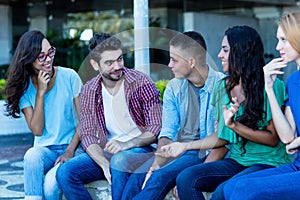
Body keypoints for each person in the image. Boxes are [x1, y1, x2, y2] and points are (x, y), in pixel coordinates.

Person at [156, 25, 292, 200]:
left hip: (267, 162)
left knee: (223, 191)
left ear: (241, 52)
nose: (219, 55)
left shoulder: (272, 86)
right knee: (186, 178)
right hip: (237, 160)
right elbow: (223, 138)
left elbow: (272, 139)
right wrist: (186, 148)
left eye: (225, 50)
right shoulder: (223, 87)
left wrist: (234, 125)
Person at [122, 31, 228, 200]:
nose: (169, 65)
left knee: (159, 177)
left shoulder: (222, 85)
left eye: (174, 60)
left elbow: (222, 140)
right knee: (138, 175)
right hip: (179, 150)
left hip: (205, 153)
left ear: (191, 62)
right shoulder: (173, 87)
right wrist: (157, 162)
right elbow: (168, 132)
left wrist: (191, 173)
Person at [56, 33, 162, 200]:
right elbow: (88, 134)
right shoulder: (90, 90)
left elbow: (156, 126)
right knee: (65, 172)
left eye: (119, 59)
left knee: (119, 162)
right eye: (109, 63)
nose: (117, 66)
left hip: (142, 150)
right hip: (109, 153)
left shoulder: (141, 82)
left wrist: (127, 144)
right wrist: (103, 163)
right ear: (95, 64)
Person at [223, 12, 300, 200]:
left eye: (283, 40)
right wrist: (269, 88)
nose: (277, 47)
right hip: (297, 166)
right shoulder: (293, 81)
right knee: (231, 187)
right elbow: (287, 136)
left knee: (245, 190)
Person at [4, 30, 83, 200]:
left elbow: (84, 121)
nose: (48, 59)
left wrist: (70, 151)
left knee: (49, 185)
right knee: (31, 155)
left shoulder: (70, 77)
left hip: (75, 148)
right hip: (46, 151)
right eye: (41, 56)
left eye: (50, 52)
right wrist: (40, 92)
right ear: (29, 58)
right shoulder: (25, 88)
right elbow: (37, 130)